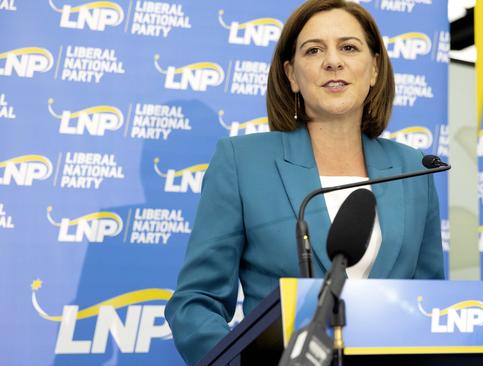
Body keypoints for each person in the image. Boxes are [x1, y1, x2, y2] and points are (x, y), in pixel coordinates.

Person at [165, 0, 445, 364]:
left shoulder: (414, 168)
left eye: (348, 47)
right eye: (314, 50)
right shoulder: (242, 162)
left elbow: (431, 306)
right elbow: (194, 304)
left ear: (374, 68)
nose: (333, 61)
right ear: (292, 75)